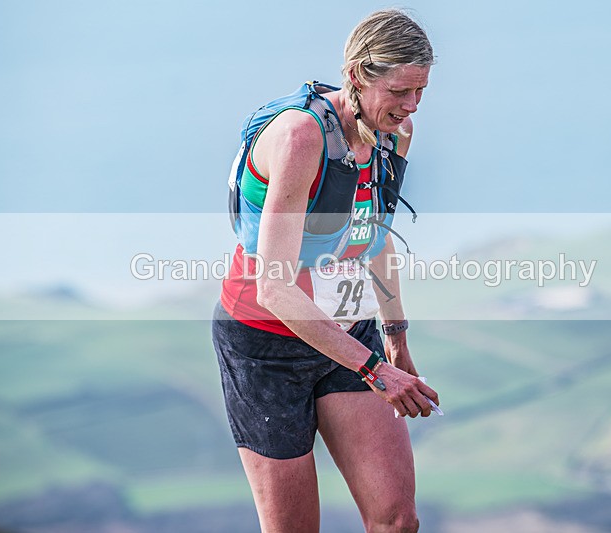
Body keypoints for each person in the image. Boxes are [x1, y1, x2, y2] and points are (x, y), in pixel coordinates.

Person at [212, 9, 439, 533]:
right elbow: (274, 288)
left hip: (348, 328)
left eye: (421, 91)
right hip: (264, 344)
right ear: (358, 74)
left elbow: (374, 239)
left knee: (397, 520)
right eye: (400, 91)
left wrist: (395, 337)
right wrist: (375, 369)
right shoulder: (301, 139)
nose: (410, 107)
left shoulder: (394, 134)